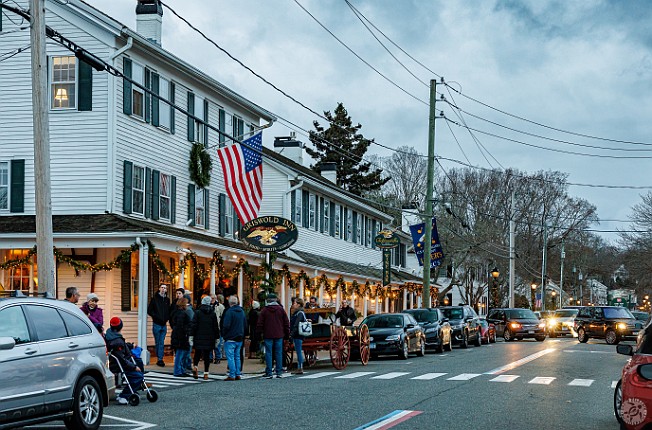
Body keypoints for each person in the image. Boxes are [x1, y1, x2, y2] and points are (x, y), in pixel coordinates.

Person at [105, 317, 144, 404]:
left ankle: (132, 389)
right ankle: (124, 395)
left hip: (116, 362)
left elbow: (123, 347)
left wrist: (130, 345)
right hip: (118, 365)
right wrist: (134, 367)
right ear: (121, 326)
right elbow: (121, 359)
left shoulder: (110, 335)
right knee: (138, 376)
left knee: (138, 361)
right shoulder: (117, 341)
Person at [257, 293, 290, 379]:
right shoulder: (281, 310)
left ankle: (269, 371)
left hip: (268, 334)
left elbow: (260, 323)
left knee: (269, 353)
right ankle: (279, 371)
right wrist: (287, 334)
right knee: (278, 352)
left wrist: (259, 333)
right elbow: (286, 323)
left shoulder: (264, 310)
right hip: (279, 334)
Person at [190, 296, 219, 380]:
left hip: (198, 336)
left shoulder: (198, 312)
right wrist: (217, 337)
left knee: (197, 353)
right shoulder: (212, 313)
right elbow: (215, 326)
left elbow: (194, 325)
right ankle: (206, 373)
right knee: (207, 355)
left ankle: (195, 366)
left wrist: (191, 335)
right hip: (209, 337)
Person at [221, 295, 247, 381]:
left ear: (229, 303)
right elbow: (245, 324)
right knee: (237, 356)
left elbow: (226, 325)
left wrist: (224, 335)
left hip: (231, 337)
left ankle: (232, 374)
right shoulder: (241, 311)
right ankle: (238, 373)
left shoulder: (229, 312)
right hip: (240, 336)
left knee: (231, 357)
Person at [147, 284, 170, 367]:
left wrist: (167, 318)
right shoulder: (155, 299)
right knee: (158, 342)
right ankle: (159, 359)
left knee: (162, 342)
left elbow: (168, 310)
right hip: (157, 323)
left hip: (164, 324)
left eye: (165, 288)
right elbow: (149, 311)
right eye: (162, 287)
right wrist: (156, 316)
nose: (163, 289)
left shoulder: (167, 300)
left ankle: (160, 358)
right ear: (159, 289)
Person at [170, 298, 191, 377]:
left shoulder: (176, 313)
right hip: (181, 337)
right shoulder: (182, 314)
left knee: (181, 354)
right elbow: (181, 326)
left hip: (177, 335)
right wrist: (186, 333)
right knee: (180, 354)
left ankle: (181, 370)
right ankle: (178, 371)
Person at [290, 298, 308, 375]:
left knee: (298, 351)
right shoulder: (298, 312)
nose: (293, 304)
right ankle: (299, 367)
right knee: (298, 351)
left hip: (298, 334)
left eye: (295, 303)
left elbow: (296, 324)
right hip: (297, 334)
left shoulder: (299, 313)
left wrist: (292, 334)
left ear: (298, 304)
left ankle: (300, 367)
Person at [213, 294, 226, 364]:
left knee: (217, 343)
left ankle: (218, 357)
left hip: (218, 327)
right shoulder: (211, 306)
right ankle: (211, 357)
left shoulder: (220, 307)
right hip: (212, 327)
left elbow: (222, 317)